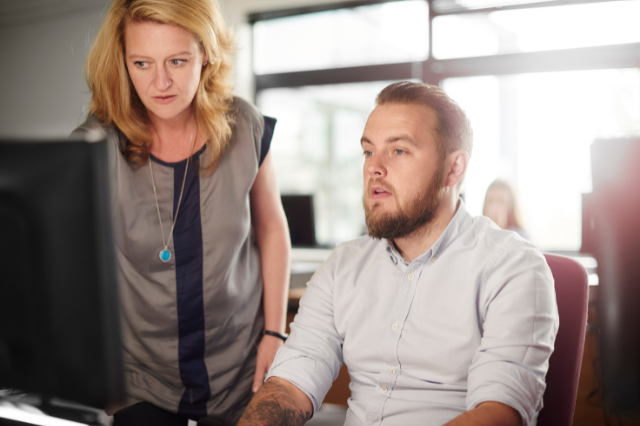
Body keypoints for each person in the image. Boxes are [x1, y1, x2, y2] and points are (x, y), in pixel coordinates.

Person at [237, 82, 558, 426]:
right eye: (368, 151)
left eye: (398, 151)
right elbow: (289, 385)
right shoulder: (343, 265)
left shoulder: (512, 267)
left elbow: (499, 415)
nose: (374, 167)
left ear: (454, 169)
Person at [71, 1, 291, 425]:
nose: (160, 82)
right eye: (141, 63)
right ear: (123, 62)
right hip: (140, 378)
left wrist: (275, 332)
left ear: (206, 53)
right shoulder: (96, 144)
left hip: (241, 367)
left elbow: (272, 228)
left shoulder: (244, 125)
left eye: (177, 60)